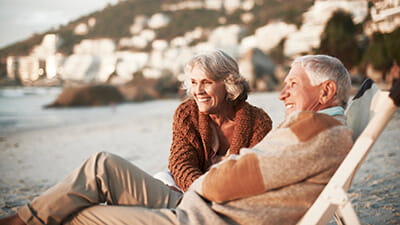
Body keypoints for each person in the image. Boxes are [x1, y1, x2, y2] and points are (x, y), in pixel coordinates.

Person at [3, 54, 398, 225]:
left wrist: (216, 172)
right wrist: (216, 173)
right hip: (201, 203)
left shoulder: (313, 132)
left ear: (327, 92)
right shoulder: (317, 130)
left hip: (204, 216)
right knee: (102, 165)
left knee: (81, 217)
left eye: (292, 85)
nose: (283, 94)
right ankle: (22, 219)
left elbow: (230, 179)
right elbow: (196, 165)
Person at [163, 49, 272, 191]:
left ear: (229, 84)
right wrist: (204, 191)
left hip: (233, 197)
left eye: (206, 82)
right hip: (195, 192)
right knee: (161, 178)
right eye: (194, 83)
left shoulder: (258, 121)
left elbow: (252, 172)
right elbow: (180, 163)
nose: (198, 91)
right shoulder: (187, 113)